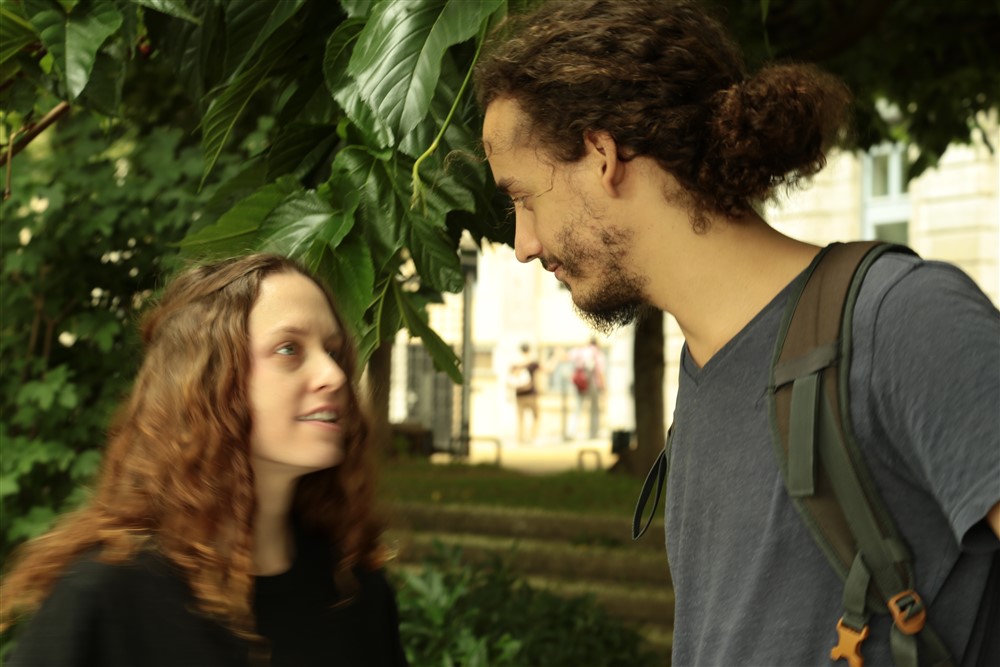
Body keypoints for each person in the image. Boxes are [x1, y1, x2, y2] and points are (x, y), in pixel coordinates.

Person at [475, 2, 1000, 666]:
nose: (522, 243)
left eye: (523, 197)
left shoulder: (901, 319)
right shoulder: (705, 362)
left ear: (602, 156)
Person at [0, 254, 409, 666]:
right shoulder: (104, 597)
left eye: (334, 352)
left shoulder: (355, 594)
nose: (334, 376)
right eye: (289, 349)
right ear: (209, 380)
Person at [568, 338, 605, 439]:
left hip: (580, 383)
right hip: (593, 384)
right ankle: (593, 433)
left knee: (577, 408)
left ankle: (572, 432)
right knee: (594, 409)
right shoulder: (597, 353)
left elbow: (567, 357)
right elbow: (600, 371)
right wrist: (603, 387)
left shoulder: (580, 351)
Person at [509, 342, 542, 443]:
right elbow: (547, 369)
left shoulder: (516, 363)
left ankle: (521, 439)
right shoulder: (531, 363)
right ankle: (533, 437)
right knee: (536, 416)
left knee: (520, 419)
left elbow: (511, 377)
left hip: (519, 395)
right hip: (531, 394)